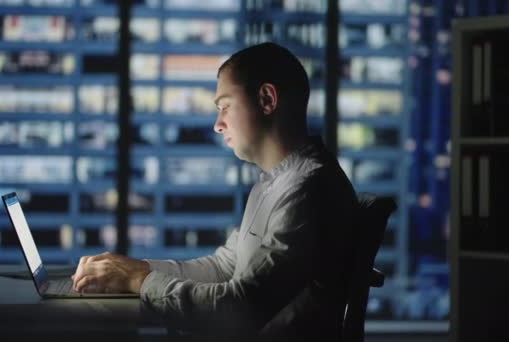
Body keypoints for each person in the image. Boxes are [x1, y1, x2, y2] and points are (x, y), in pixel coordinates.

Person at [71, 42, 360, 341]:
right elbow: (225, 267)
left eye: (225, 106)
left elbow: (241, 309)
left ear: (266, 99)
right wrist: (136, 269)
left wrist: (138, 280)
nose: (217, 125)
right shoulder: (278, 182)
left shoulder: (308, 190)